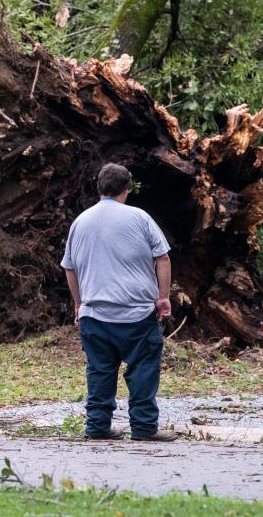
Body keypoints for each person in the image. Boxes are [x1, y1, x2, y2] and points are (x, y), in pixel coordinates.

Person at [61, 163, 177, 441]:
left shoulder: (81, 221)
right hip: (137, 314)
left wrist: (79, 303)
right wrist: (163, 297)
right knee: (143, 371)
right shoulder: (140, 218)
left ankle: (98, 427)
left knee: (100, 371)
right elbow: (162, 258)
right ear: (127, 189)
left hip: (95, 315)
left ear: (99, 187)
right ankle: (144, 427)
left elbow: (69, 267)